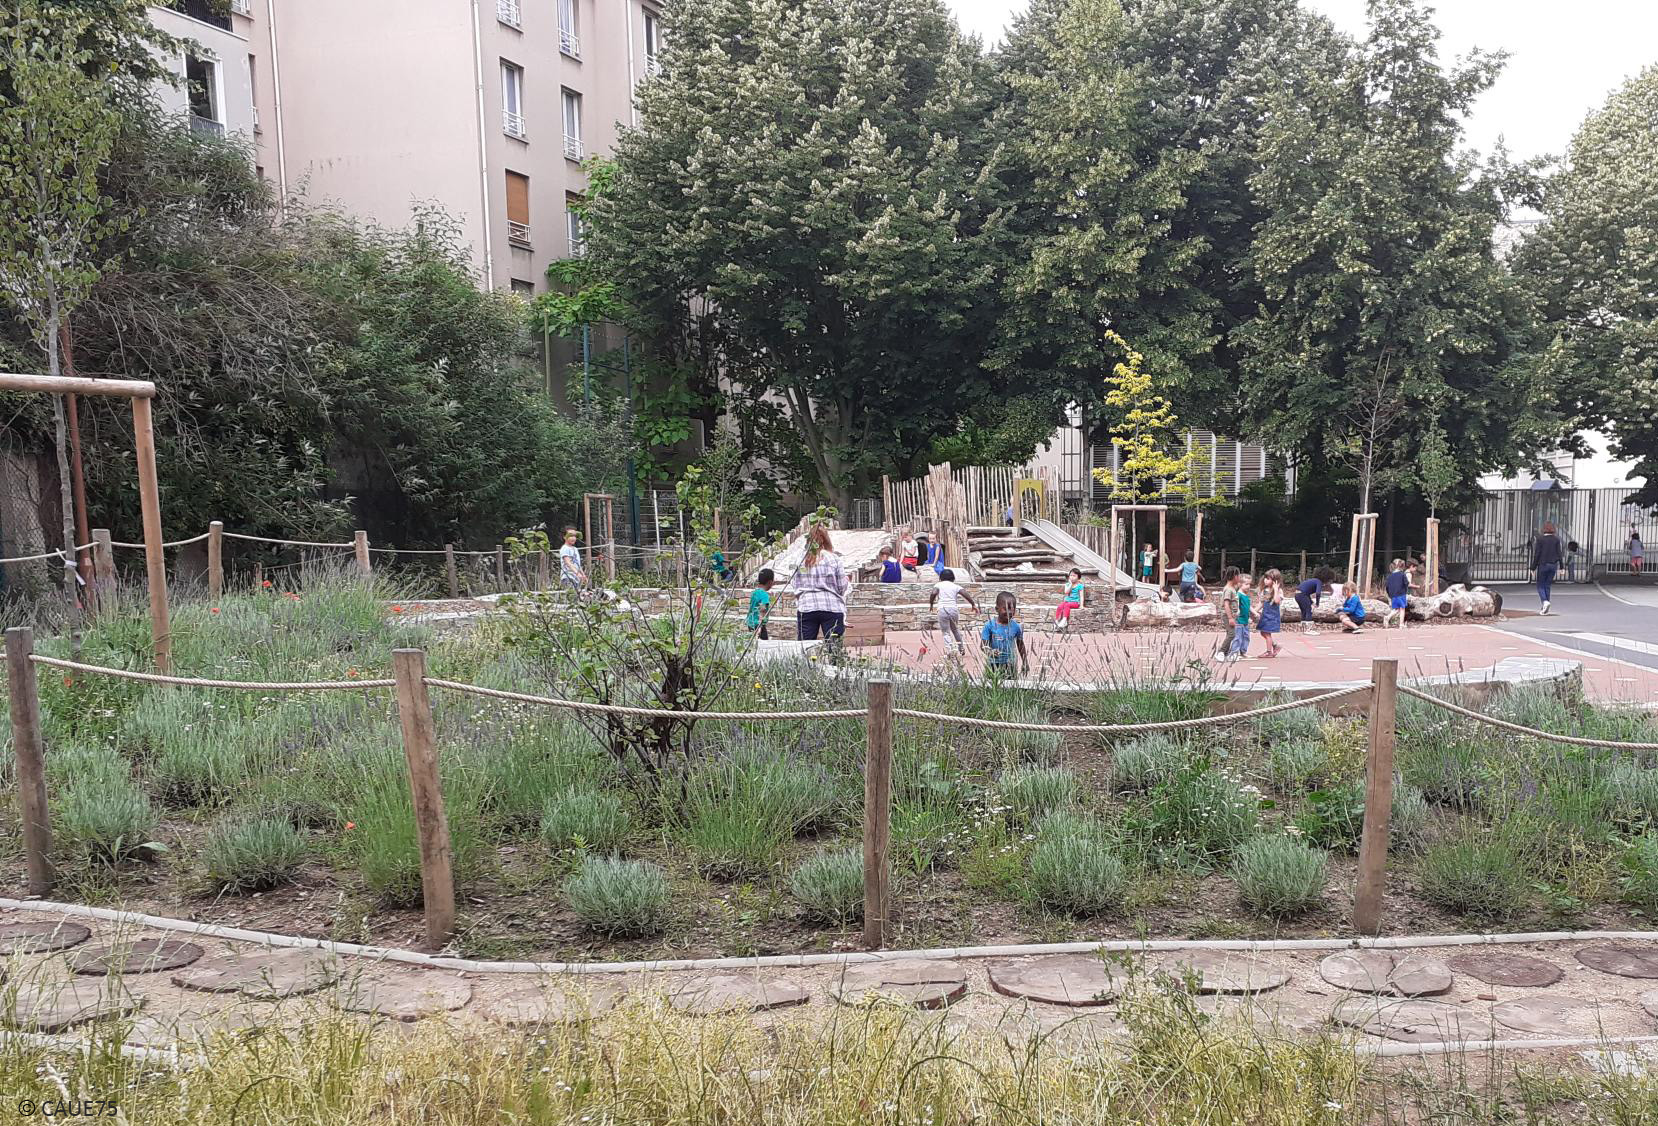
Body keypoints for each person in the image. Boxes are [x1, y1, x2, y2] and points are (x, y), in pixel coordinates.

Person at [787, 525, 849, 643]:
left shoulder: (800, 559)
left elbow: (794, 583)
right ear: (827, 539)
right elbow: (841, 587)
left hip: (807, 606)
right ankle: (832, 662)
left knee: (805, 648)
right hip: (832, 606)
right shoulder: (834, 559)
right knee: (833, 649)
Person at [929, 567, 978, 667]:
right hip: (953, 609)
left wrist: (931, 604)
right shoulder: (955, 586)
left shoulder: (938, 585)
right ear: (953, 578)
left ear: (941, 578)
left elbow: (934, 592)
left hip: (942, 609)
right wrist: (973, 604)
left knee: (946, 632)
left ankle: (950, 651)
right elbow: (965, 593)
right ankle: (961, 648)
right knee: (955, 630)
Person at [980, 590, 1029, 677]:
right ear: (996, 609)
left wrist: (1025, 662)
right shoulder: (989, 625)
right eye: (1006, 608)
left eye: (1012, 609)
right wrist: (990, 652)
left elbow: (1021, 645)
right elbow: (983, 646)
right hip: (993, 664)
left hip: (1010, 664)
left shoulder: (1016, 627)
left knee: (1010, 687)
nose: (1010, 612)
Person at [1529, 522, 1563, 614]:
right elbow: (1559, 554)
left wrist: (1533, 568)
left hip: (1543, 565)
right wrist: (1562, 567)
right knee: (1547, 585)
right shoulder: (1556, 539)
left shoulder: (1540, 539)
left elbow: (1537, 554)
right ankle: (1545, 607)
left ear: (1543, 529)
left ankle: (1545, 601)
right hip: (1553, 565)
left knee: (1540, 585)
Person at [1295, 566, 1334, 634]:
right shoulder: (1318, 582)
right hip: (1302, 595)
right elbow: (1318, 593)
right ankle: (1308, 629)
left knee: (1304, 611)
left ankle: (1303, 628)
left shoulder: (1313, 580)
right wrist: (1317, 603)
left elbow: (1306, 592)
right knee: (1308, 610)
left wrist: (1311, 602)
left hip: (1297, 594)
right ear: (1326, 578)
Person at [1256, 568, 1284, 657]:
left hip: (1272, 616)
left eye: (1268, 579)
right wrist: (1254, 611)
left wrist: (1275, 590)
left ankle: (1269, 652)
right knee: (1263, 632)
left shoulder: (1278, 591)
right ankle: (1275, 645)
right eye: (1265, 578)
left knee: (1267, 633)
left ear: (1275, 581)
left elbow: (1277, 601)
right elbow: (1261, 603)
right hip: (1265, 614)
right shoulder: (1264, 590)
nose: (1265, 580)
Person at [1227, 570, 1253, 661]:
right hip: (1239, 619)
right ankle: (1234, 652)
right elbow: (1236, 603)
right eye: (1246, 584)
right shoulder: (1239, 594)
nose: (1248, 586)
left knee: (1246, 636)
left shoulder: (1246, 595)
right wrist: (1236, 610)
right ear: (1240, 584)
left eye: (1249, 584)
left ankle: (1243, 652)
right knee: (1237, 637)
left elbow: (1248, 607)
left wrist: (1252, 614)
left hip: (1245, 620)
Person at [1383, 558, 1413, 629]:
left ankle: (1388, 617)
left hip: (1393, 594)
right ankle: (1401, 624)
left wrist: (1390, 594)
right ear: (1402, 566)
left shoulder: (1390, 576)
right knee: (1402, 608)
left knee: (1396, 609)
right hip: (1401, 593)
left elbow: (1387, 586)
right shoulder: (1402, 574)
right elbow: (1406, 583)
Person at [747, 568, 775, 640]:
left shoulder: (755, 592)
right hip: (758, 624)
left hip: (750, 622)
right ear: (770, 582)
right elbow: (762, 609)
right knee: (763, 644)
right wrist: (760, 626)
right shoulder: (764, 595)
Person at [559, 528, 586, 595]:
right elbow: (568, 563)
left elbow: (578, 564)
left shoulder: (575, 549)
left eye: (574, 536)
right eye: (570, 536)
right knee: (571, 596)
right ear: (565, 537)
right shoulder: (564, 548)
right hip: (568, 577)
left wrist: (583, 575)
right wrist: (578, 574)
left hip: (576, 578)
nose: (573, 538)